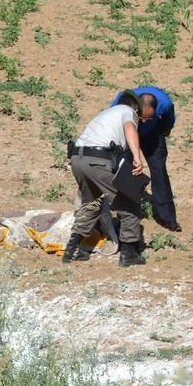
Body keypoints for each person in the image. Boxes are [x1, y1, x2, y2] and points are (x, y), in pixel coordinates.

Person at [64, 91, 147, 268]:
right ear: (134, 108)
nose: (138, 118)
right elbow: (130, 129)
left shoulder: (106, 114)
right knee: (129, 201)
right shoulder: (127, 112)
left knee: (92, 202)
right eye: (138, 115)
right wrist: (137, 158)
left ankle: (72, 250)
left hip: (78, 159)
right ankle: (129, 253)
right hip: (97, 160)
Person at [111, 86, 180, 232]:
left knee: (159, 171)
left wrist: (165, 130)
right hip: (127, 132)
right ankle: (127, 214)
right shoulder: (122, 101)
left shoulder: (165, 103)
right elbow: (112, 119)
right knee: (126, 170)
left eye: (148, 119)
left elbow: (168, 118)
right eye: (141, 118)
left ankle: (168, 218)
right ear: (136, 108)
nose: (143, 122)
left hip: (152, 134)